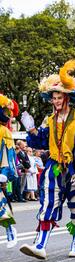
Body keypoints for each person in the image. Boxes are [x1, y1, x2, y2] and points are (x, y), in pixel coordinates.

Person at [19, 60, 75, 260]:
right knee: (48, 203)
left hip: (74, 168)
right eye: (53, 97)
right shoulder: (50, 120)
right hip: (54, 166)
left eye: (59, 97)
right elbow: (41, 141)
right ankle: (41, 245)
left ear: (67, 98)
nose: (56, 101)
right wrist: (31, 129)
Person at [0, 93, 19, 249]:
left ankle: (10, 231)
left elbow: (9, 157)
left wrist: (4, 174)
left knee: (2, 208)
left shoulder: (4, 132)